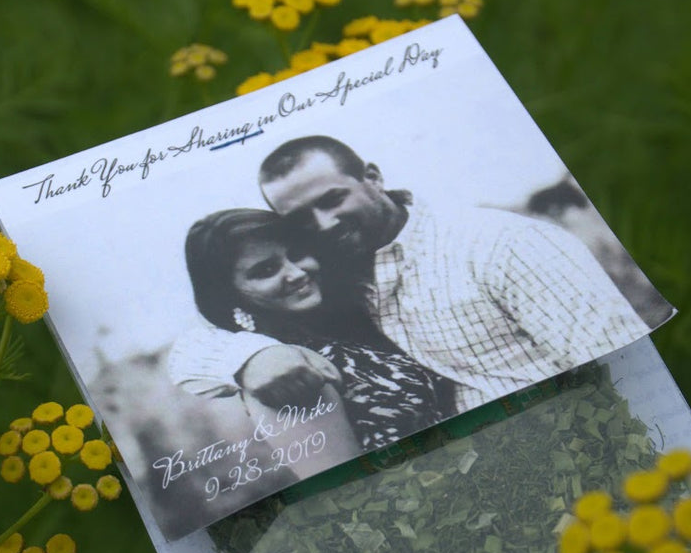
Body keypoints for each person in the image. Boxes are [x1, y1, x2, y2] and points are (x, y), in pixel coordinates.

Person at [167, 135, 655, 413]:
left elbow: (632, 365)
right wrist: (250, 358)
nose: (324, 224)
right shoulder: (334, 276)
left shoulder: (497, 243)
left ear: (372, 177)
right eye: (301, 219)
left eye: (333, 198)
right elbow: (193, 346)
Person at [180, 208, 453, 451]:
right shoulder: (282, 373)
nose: (297, 273)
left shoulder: (350, 318)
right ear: (230, 296)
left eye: (296, 254)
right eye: (267, 270)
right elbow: (340, 482)